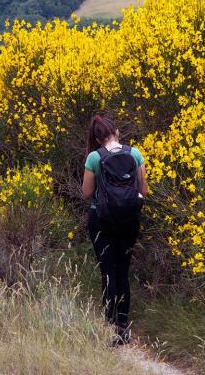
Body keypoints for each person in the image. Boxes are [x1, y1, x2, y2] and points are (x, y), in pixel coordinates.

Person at [81, 114, 147, 346]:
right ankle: (123, 327)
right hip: (129, 220)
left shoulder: (94, 157)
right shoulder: (134, 153)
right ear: (116, 131)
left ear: (97, 138)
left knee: (107, 272)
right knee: (122, 272)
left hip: (101, 220)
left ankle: (110, 328)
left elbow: (86, 193)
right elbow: (144, 191)